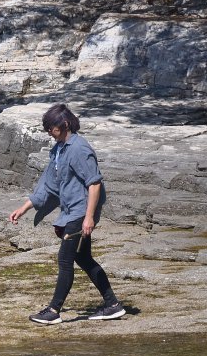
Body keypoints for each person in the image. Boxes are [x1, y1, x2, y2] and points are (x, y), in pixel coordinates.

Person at [9, 103, 125, 324]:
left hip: (81, 213)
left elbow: (94, 184)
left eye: (51, 129)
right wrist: (24, 208)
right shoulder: (59, 150)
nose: (49, 134)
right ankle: (113, 305)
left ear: (63, 125)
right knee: (83, 258)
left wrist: (89, 217)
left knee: (65, 259)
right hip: (71, 212)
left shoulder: (80, 149)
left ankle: (53, 310)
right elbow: (49, 185)